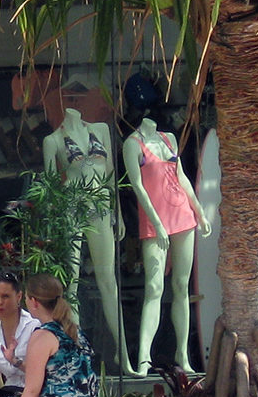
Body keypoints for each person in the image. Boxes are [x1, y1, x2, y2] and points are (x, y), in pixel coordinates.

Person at [45, 107, 132, 373]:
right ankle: (77, 354)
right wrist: (50, 226)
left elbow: (110, 177)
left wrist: (118, 213)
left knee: (108, 281)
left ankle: (124, 354)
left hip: (101, 206)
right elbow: (50, 187)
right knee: (70, 283)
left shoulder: (101, 130)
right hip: (71, 206)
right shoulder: (53, 140)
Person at [123, 118, 210, 375]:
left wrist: (200, 212)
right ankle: (143, 359)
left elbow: (181, 177)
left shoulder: (168, 138)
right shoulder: (132, 144)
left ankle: (182, 356)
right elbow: (136, 186)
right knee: (153, 287)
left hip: (182, 214)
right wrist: (157, 224)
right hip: (154, 221)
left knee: (182, 286)